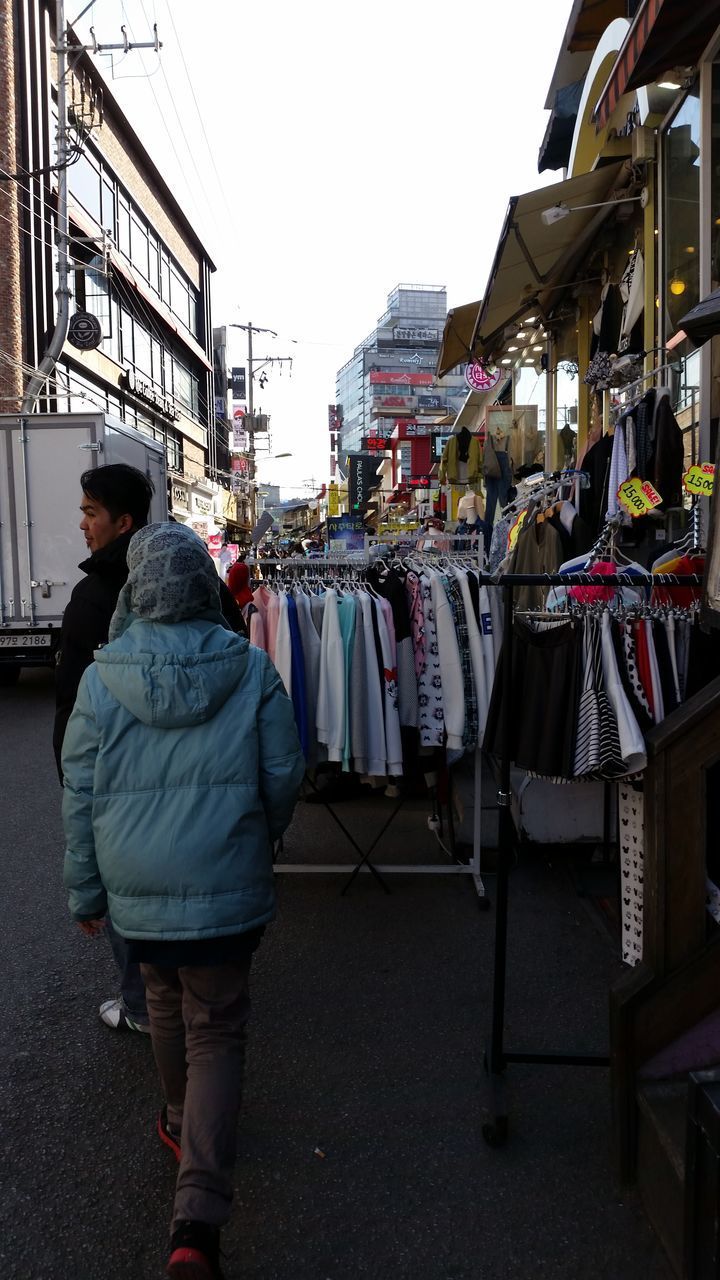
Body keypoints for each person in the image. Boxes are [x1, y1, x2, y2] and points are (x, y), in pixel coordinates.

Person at [62, 522, 305, 1279]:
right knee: (219, 1030)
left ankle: (176, 1115)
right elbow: (283, 774)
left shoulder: (102, 680)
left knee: (163, 1004)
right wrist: (259, 836)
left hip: (136, 888)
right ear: (205, 586)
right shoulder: (251, 667)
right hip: (225, 879)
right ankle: (197, 1216)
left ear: (136, 591)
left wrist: (86, 889)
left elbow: (80, 794)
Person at [54, 469, 245, 1036]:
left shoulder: (93, 599)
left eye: (91, 511)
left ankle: (143, 1007)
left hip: (123, 789)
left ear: (124, 522)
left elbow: (73, 712)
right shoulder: (198, 580)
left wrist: (71, 782)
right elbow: (236, 648)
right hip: (212, 793)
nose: (83, 523)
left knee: (131, 895)